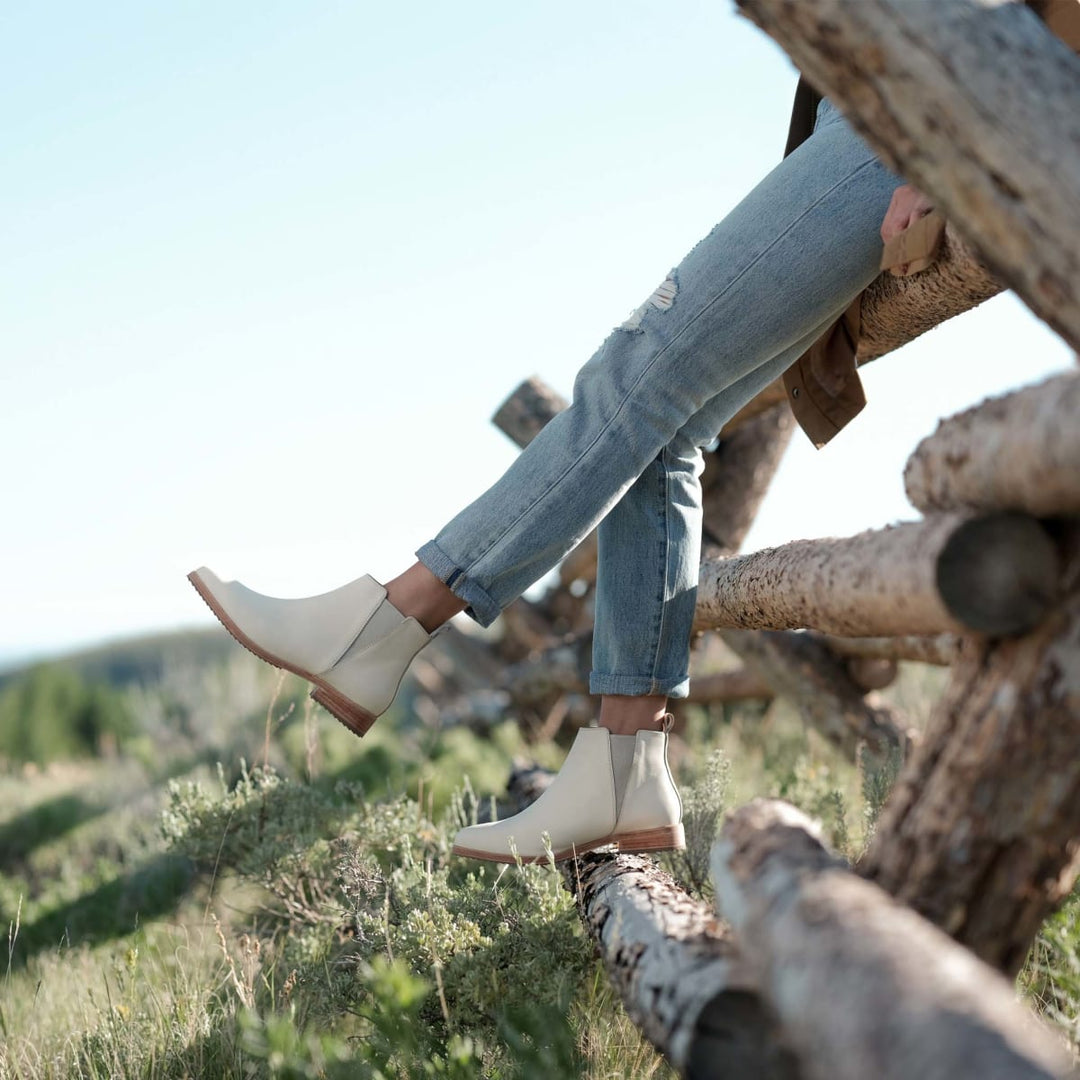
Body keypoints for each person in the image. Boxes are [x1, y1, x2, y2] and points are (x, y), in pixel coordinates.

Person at [189, 86, 935, 866]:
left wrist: (931, 147)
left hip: (901, 119)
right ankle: (625, 770)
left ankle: (386, 623)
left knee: (633, 376)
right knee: (663, 436)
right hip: (874, 114)